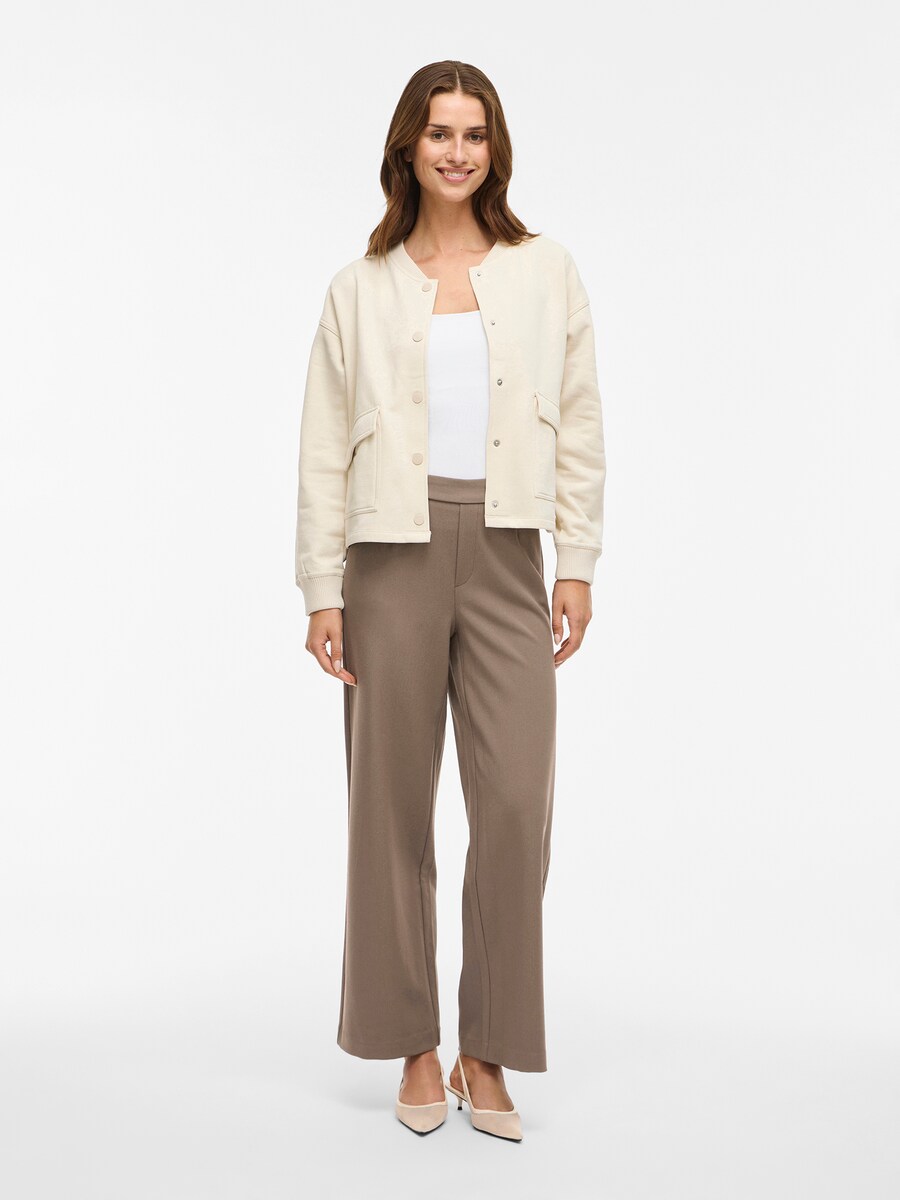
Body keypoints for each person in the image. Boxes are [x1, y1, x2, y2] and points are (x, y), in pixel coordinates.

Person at [295, 60, 606, 1140]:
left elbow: (581, 417)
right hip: (389, 556)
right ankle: (413, 1048)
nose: (458, 152)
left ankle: (489, 1047)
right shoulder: (361, 286)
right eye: (440, 133)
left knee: (514, 805)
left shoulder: (546, 270)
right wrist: (322, 586)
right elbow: (323, 449)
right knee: (389, 810)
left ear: (495, 149)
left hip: (511, 549)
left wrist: (576, 560)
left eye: (475, 134)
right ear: (408, 146)